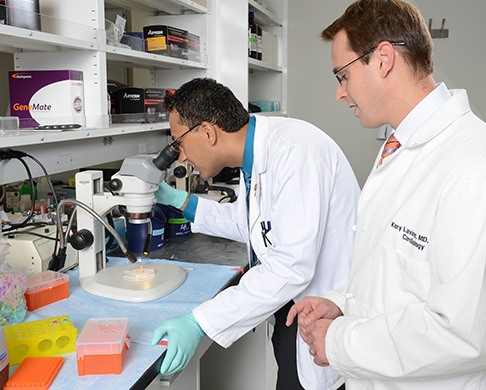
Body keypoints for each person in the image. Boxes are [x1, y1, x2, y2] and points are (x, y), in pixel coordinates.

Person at [286, 0, 486, 390]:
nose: (340, 92)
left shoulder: (475, 170)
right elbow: (396, 279)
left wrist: (339, 340)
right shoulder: (399, 150)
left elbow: (466, 334)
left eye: (342, 75)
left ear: (383, 59)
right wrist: (343, 302)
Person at [151, 77, 360, 390]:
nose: (180, 157)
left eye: (178, 143)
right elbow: (252, 225)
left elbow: (290, 266)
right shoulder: (258, 156)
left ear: (208, 132)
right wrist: (182, 202)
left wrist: (201, 322)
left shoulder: (294, 153)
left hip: (320, 316)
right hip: (295, 311)